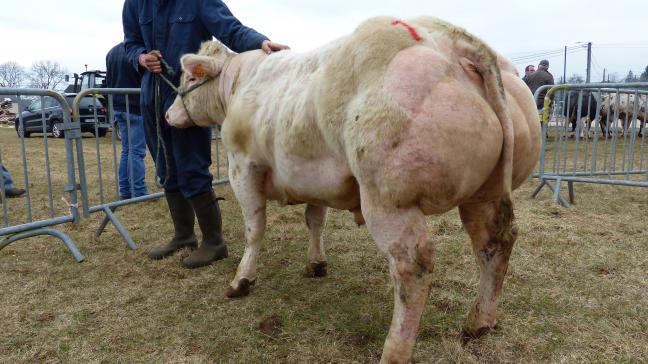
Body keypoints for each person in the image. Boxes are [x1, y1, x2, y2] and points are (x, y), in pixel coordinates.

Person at [122, 0, 289, 268]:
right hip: (151, 96)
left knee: (192, 166)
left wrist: (261, 42)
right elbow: (130, 44)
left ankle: (214, 241)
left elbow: (230, 29)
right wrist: (141, 57)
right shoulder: (135, 4)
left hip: (190, 95)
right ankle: (183, 235)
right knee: (166, 167)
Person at [106, 42, 149, 200]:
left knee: (127, 150)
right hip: (136, 106)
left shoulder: (111, 52)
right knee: (136, 151)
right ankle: (139, 191)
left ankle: (124, 189)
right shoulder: (140, 52)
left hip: (119, 106)